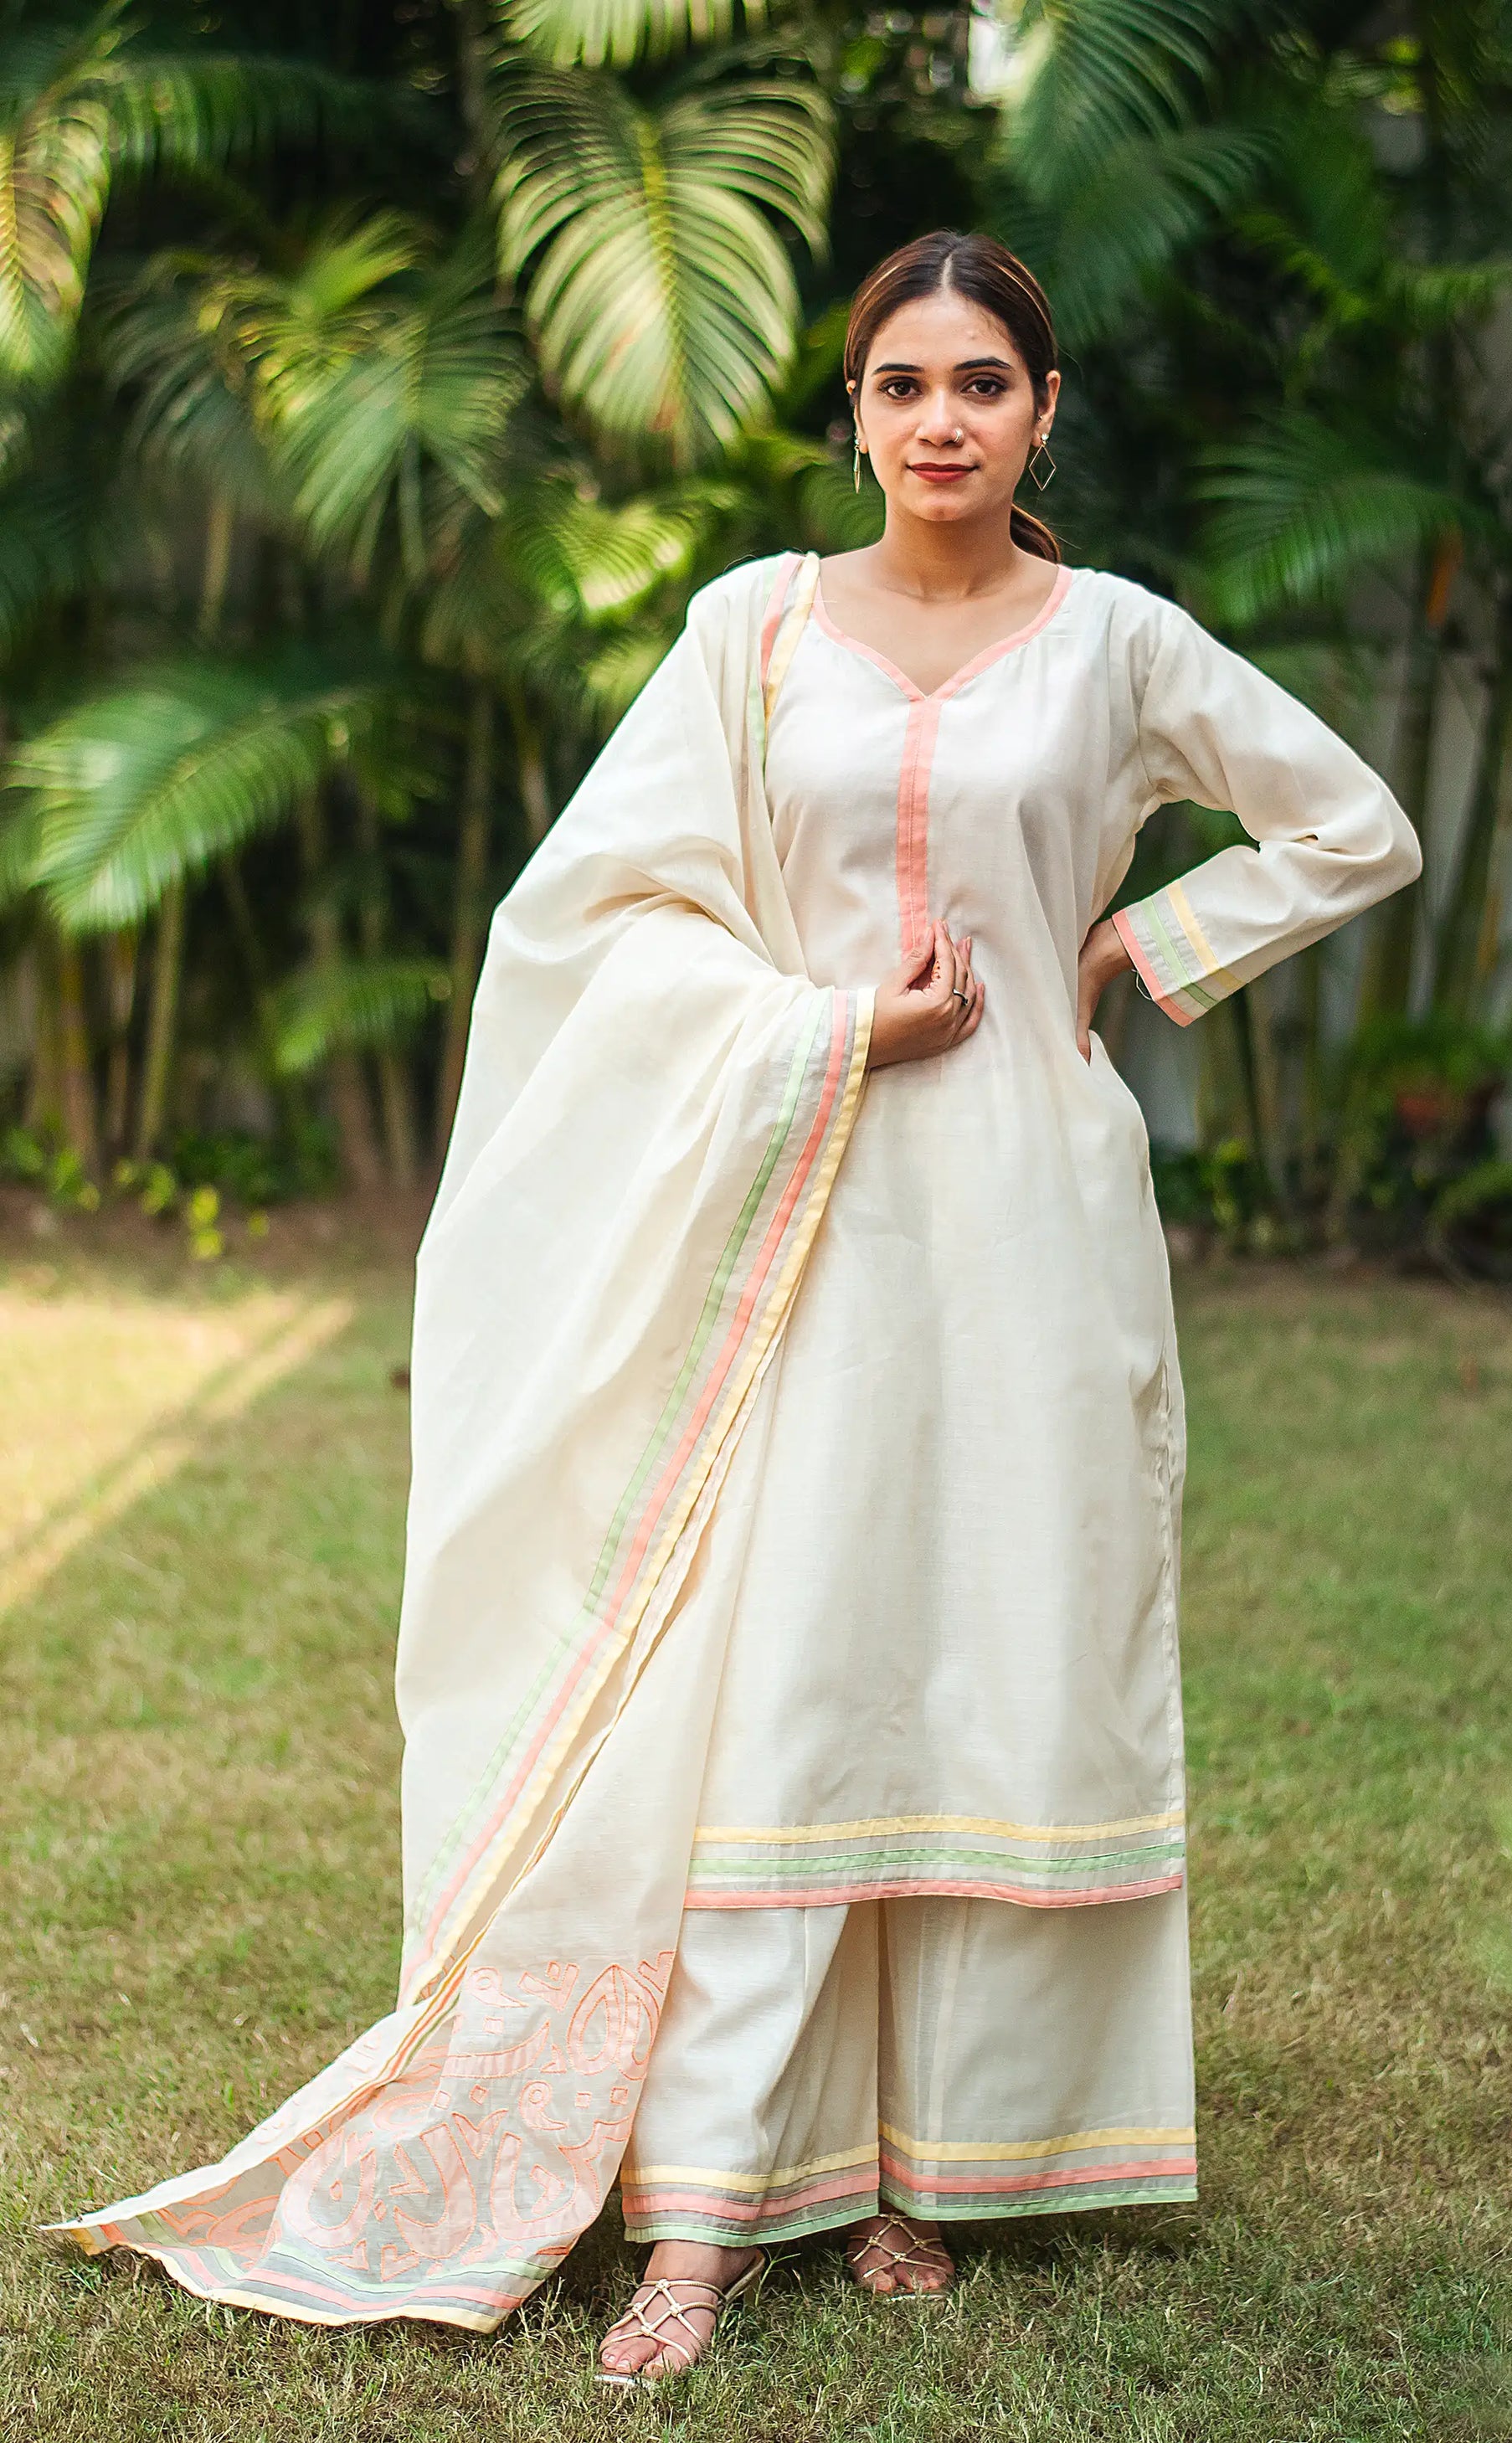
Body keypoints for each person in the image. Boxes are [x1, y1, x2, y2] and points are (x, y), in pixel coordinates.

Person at [55, 232, 1419, 2384]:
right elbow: (583, 917)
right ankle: (705, 2213)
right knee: (787, 1675)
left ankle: (931, 2176)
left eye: (984, 381)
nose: (943, 419)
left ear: (1044, 412)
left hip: (1032, 1226)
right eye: (902, 385)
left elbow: (1354, 826)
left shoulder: (1120, 643)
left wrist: (1133, 953)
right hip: (797, 1205)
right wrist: (819, 1032)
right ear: (853, 415)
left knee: (981, 1650)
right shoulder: (749, 631)